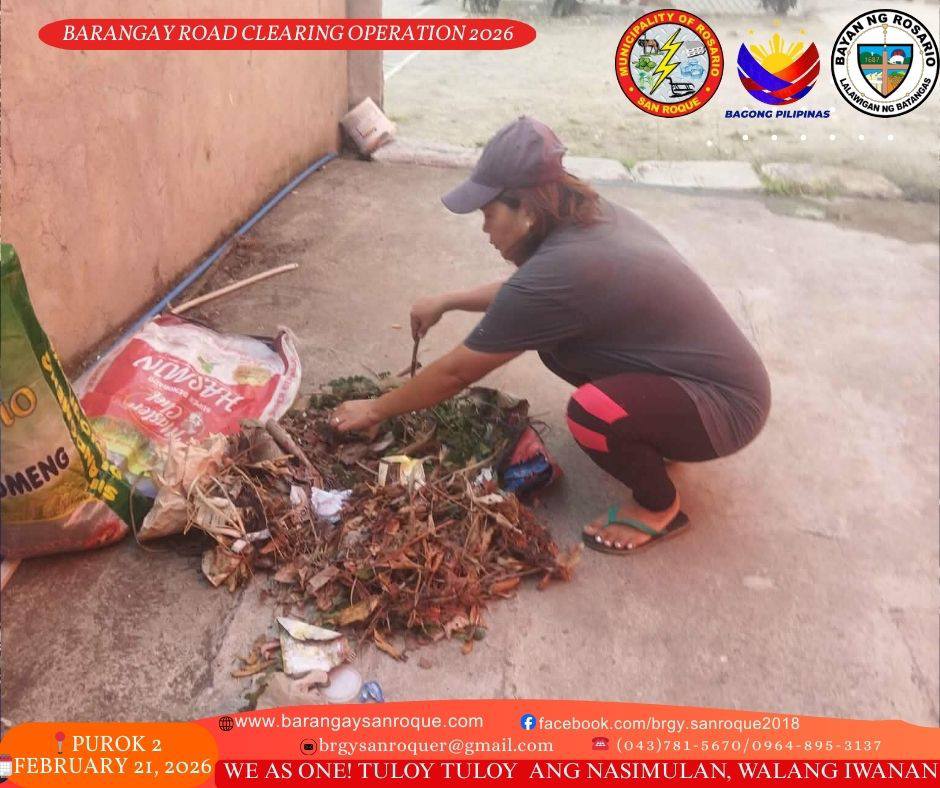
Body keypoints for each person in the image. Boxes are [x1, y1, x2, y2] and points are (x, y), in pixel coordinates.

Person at [331, 116, 770, 555]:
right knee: (557, 348)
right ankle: (653, 431)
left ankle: (659, 506)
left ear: (527, 209)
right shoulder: (583, 216)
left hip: (726, 409)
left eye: (489, 213)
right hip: (707, 379)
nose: (484, 228)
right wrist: (448, 301)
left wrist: (375, 409)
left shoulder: (566, 266)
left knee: (590, 414)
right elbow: (530, 296)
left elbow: (456, 373)